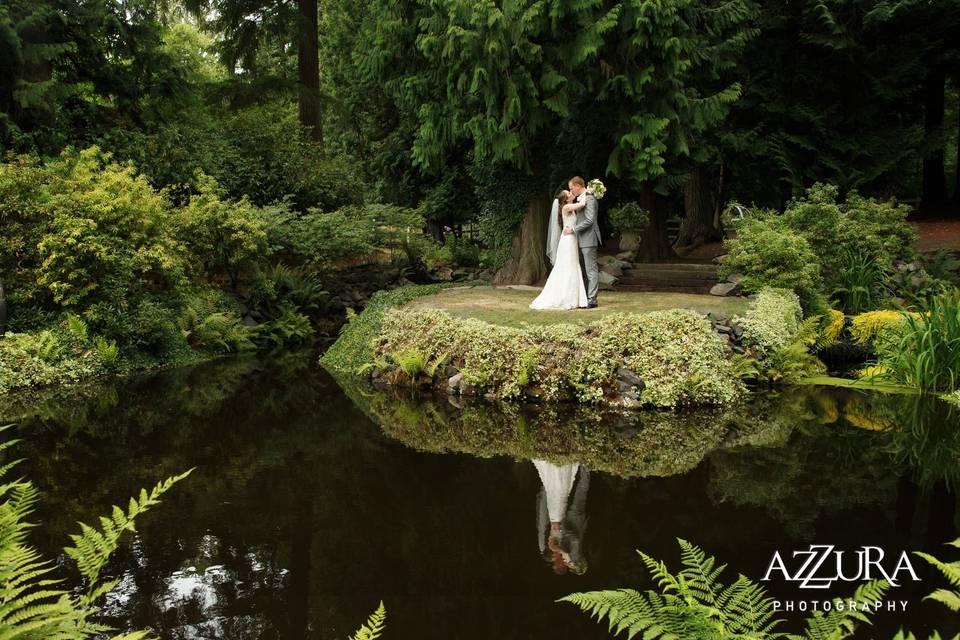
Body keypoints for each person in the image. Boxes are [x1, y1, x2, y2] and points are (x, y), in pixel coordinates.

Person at [529, 190, 589, 310]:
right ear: (566, 199)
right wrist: (588, 191)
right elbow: (582, 204)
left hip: (571, 239)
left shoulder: (569, 206)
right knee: (568, 266)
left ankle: (575, 298)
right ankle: (565, 297)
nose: (572, 193)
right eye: (569, 193)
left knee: (572, 265)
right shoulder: (566, 207)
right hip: (567, 241)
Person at [533, 460, 589, 575]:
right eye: (567, 565)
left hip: (560, 518)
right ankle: (584, 466)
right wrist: (560, 530)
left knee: (572, 491)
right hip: (572, 521)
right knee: (579, 491)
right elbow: (575, 540)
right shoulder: (573, 555)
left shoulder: (547, 551)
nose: (564, 562)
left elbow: (543, 524)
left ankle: (580, 466)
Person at [565, 176, 601, 308]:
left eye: (571, 188)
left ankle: (592, 300)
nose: (571, 190)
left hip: (588, 239)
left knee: (591, 270)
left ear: (578, 185)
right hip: (580, 240)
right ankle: (585, 298)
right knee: (584, 270)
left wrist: (573, 229)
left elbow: (589, 220)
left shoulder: (590, 198)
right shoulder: (581, 199)